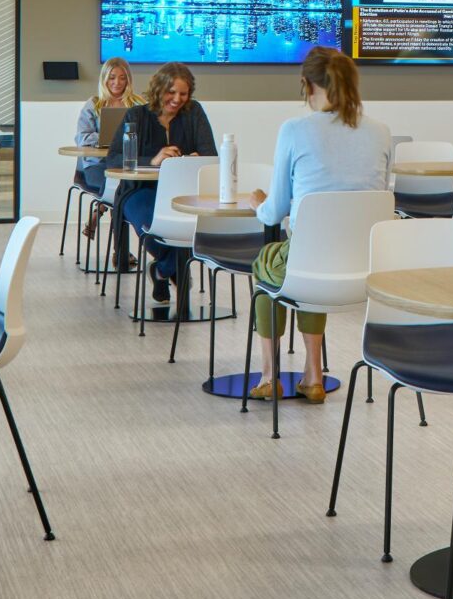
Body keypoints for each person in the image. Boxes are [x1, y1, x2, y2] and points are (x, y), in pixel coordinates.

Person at [251, 47, 392, 401]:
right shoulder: (381, 131)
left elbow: (275, 211)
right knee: (306, 265)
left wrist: (258, 204)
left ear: (307, 85)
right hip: (365, 268)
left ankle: (270, 376)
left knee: (269, 263)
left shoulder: (295, 130)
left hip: (310, 263)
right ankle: (313, 375)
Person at [115, 61, 219, 316]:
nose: (177, 99)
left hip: (183, 193)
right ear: (159, 89)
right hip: (139, 191)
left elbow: (211, 154)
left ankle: (161, 271)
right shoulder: (136, 116)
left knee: (189, 229)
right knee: (156, 230)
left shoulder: (194, 113)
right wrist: (153, 160)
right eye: (171, 93)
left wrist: (195, 158)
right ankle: (169, 270)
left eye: (183, 94)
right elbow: (114, 158)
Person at [74, 56, 144, 258]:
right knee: (120, 191)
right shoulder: (94, 104)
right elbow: (83, 137)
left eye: (122, 78)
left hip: (126, 165)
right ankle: (121, 254)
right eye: (112, 77)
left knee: (122, 189)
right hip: (96, 166)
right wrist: (111, 135)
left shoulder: (138, 105)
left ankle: (99, 209)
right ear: (104, 78)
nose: (117, 83)